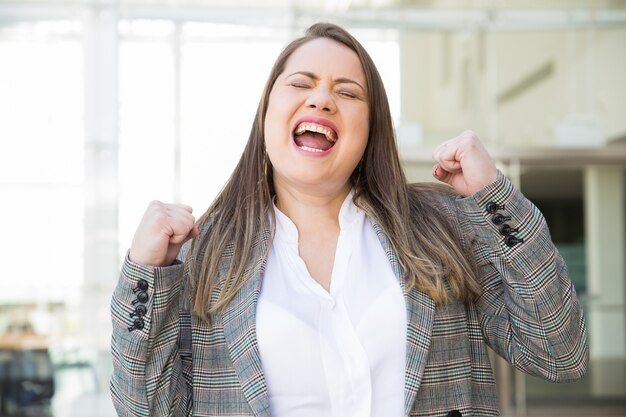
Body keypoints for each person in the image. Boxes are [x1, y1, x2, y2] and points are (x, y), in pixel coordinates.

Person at [110, 22, 588, 417]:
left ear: (369, 129)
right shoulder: (206, 253)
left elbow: (559, 353)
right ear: (266, 115)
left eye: (347, 92)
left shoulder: (444, 227)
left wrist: (495, 197)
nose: (321, 99)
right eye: (300, 83)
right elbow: (145, 410)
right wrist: (144, 274)